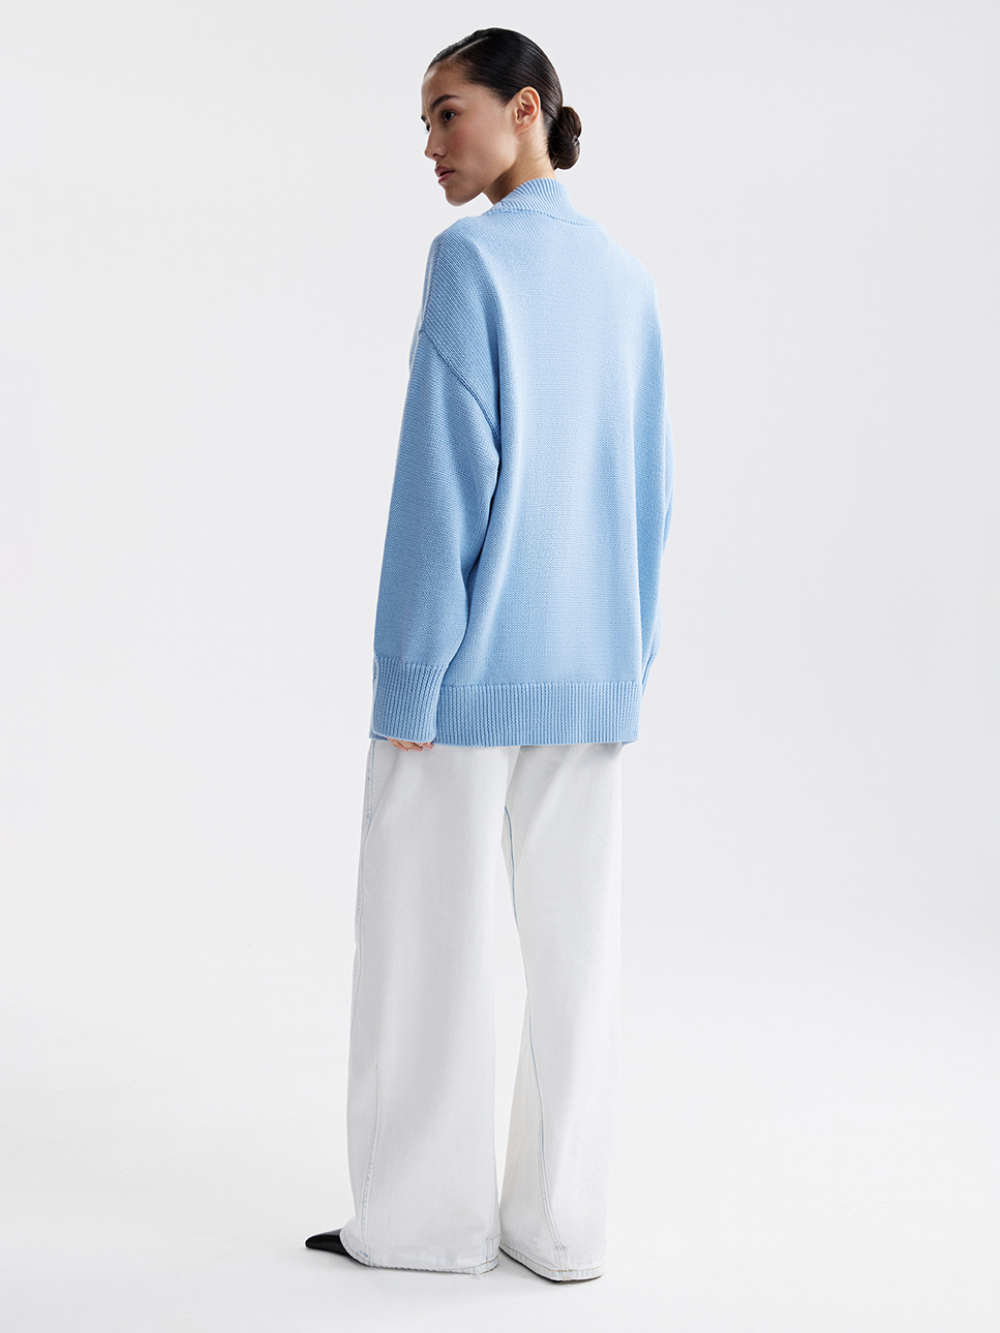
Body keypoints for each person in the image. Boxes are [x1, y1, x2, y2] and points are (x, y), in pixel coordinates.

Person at [306, 27, 674, 1281]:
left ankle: (424, 1225)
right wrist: (629, 658)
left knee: (427, 955)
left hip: (462, 681)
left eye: (445, 112)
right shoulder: (626, 279)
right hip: (591, 673)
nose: (428, 144)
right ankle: (560, 1229)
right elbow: (651, 493)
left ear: (525, 109)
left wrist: (408, 674)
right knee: (578, 963)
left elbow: (442, 487)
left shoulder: (469, 261)